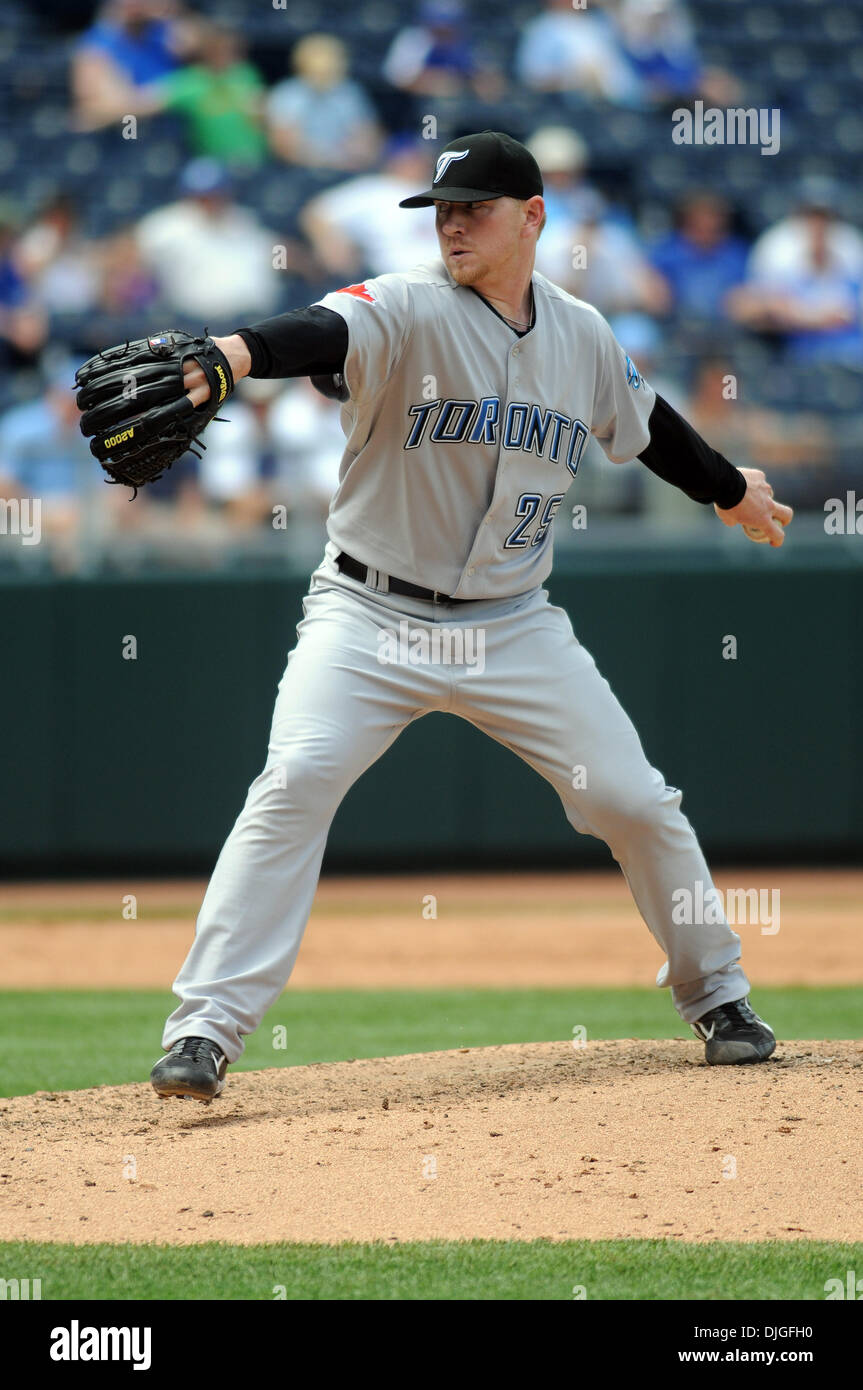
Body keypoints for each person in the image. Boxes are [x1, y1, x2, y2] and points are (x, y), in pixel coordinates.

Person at [148, 131, 790, 1102]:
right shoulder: (405, 304)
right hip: (366, 613)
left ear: (531, 218)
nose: (451, 223)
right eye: (442, 208)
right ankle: (204, 1029)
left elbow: (645, 423)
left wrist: (727, 491)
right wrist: (232, 354)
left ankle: (717, 995)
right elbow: (323, 331)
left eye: (473, 207)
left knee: (632, 800)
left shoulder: (580, 334)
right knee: (295, 781)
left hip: (511, 624)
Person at [135, 159, 281, 324]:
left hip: (252, 320)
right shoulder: (165, 226)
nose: (210, 201)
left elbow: (280, 254)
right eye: (203, 196)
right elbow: (133, 264)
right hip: (193, 322)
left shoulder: (245, 220)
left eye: (216, 194)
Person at [267, 34, 382, 171]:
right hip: (299, 170)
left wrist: (353, 155)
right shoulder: (286, 94)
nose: (324, 75)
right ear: (302, 66)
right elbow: (284, 145)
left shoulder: (350, 93)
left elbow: (367, 136)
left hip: (346, 167)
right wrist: (321, 161)